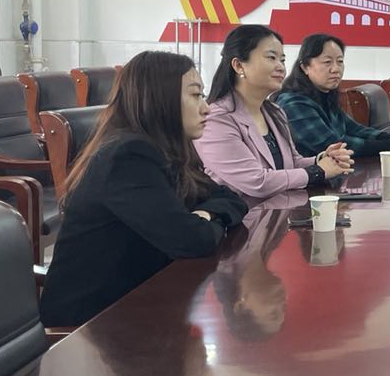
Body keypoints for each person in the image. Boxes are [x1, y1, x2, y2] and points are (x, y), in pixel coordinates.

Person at [40, 51, 248, 327]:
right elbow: (192, 241)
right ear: (160, 100)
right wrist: (205, 220)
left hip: (137, 301)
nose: (206, 108)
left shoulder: (168, 150)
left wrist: (206, 215)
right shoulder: (128, 157)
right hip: (91, 324)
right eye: (196, 95)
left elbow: (231, 199)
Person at [194, 24, 353, 205]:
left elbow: (292, 162)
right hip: (243, 218)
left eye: (282, 60)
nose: (281, 67)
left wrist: (321, 159)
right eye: (271, 58)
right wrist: (318, 171)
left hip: (279, 214)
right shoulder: (216, 120)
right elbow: (257, 182)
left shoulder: (274, 112)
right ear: (238, 65)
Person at [276, 33, 390, 159]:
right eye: (327, 62)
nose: (336, 69)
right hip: (310, 176)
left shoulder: (326, 94)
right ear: (305, 67)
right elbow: (333, 145)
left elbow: (354, 129)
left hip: (335, 170)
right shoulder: (293, 103)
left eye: (340, 61)